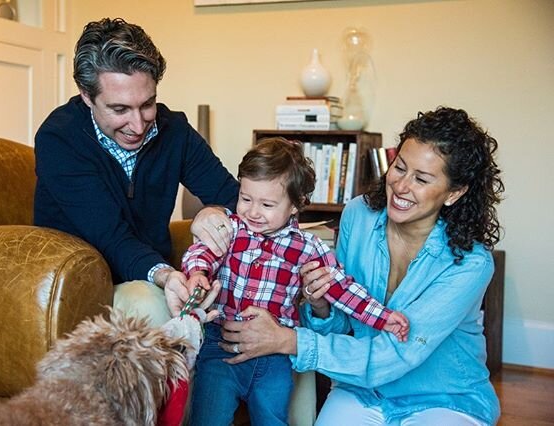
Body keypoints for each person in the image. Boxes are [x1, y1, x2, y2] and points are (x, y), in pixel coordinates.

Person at [210, 107, 504, 425]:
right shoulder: (358, 215)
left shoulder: (471, 263)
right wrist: (321, 305)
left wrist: (287, 340)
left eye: (421, 179)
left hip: (444, 400)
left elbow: (395, 355)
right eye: (399, 167)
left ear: (454, 192)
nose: (401, 186)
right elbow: (346, 323)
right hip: (361, 391)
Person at [184, 137, 409, 425]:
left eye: (266, 204)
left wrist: (384, 317)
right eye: (245, 198)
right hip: (221, 348)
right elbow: (200, 252)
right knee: (206, 419)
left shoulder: (308, 247)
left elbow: (343, 288)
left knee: (273, 418)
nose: (253, 212)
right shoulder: (231, 229)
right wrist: (198, 273)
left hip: (273, 355)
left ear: (295, 205)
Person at [33, 18, 238, 323]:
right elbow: (111, 237)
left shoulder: (174, 132)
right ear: (86, 96)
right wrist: (166, 276)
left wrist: (214, 211)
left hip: (147, 273)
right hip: (79, 288)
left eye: (147, 104)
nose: (139, 125)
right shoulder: (59, 139)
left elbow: (234, 197)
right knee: (150, 305)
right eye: (120, 109)